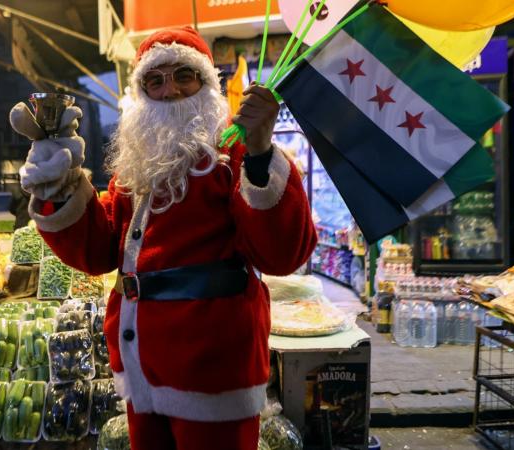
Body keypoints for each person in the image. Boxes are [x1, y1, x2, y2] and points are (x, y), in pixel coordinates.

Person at [17, 26, 317, 449]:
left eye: (183, 75)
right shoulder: (135, 170)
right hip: (141, 373)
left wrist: (262, 150)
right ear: (142, 94)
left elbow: (282, 254)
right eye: (154, 81)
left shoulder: (235, 155)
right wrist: (60, 187)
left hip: (214, 376)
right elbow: (98, 251)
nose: (170, 90)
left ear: (206, 84)